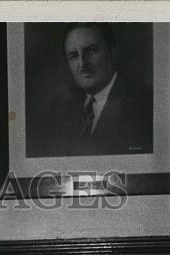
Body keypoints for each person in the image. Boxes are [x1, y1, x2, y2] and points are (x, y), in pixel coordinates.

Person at [29, 23, 153, 157]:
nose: (82, 65)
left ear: (112, 52)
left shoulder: (147, 102)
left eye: (92, 51)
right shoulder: (60, 111)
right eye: (74, 56)